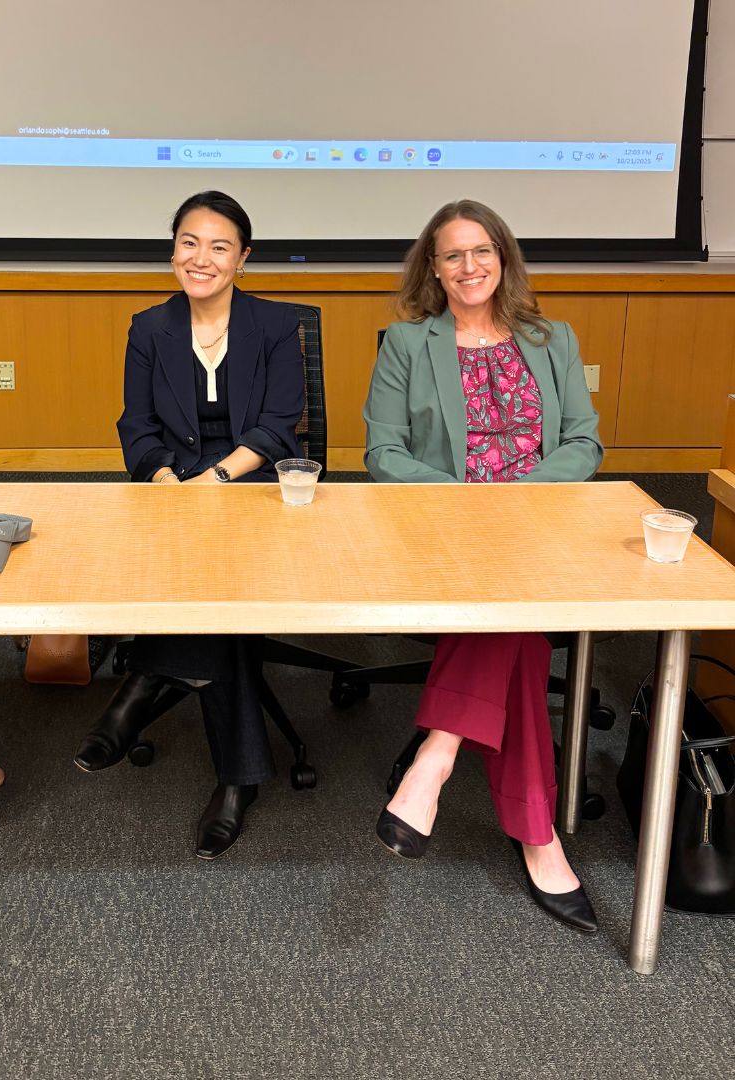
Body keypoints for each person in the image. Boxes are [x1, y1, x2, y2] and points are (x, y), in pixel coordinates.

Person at [363, 199, 604, 932]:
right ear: (433, 269)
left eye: (482, 251)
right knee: (519, 630)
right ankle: (537, 835)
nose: (469, 266)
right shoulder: (408, 345)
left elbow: (584, 441)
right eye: (452, 255)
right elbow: (383, 454)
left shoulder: (553, 339)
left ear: (503, 258)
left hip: (538, 527)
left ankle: (437, 753)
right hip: (447, 530)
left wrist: (519, 499)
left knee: (515, 620)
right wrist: (469, 503)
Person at [73, 190, 305, 859]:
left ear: (243, 258)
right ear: (173, 250)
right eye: (188, 243)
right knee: (218, 602)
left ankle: (144, 683)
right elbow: (136, 425)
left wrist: (217, 480)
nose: (201, 258)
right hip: (171, 487)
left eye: (219, 246)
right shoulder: (150, 328)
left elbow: (277, 425)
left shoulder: (275, 324)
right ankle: (237, 779)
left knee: (213, 579)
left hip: (249, 483)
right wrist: (165, 481)